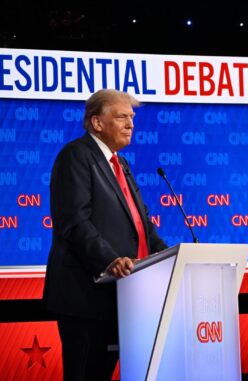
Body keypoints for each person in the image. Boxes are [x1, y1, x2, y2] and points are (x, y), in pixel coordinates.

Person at [43, 89, 168, 380]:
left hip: (121, 295)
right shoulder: (76, 155)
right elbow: (74, 221)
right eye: (122, 116)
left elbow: (142, 226)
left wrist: (172, 255)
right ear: (97, 123)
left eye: (132, 117)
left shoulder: (120, 164)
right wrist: (110, 259)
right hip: (86, 295)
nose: (130, 124)